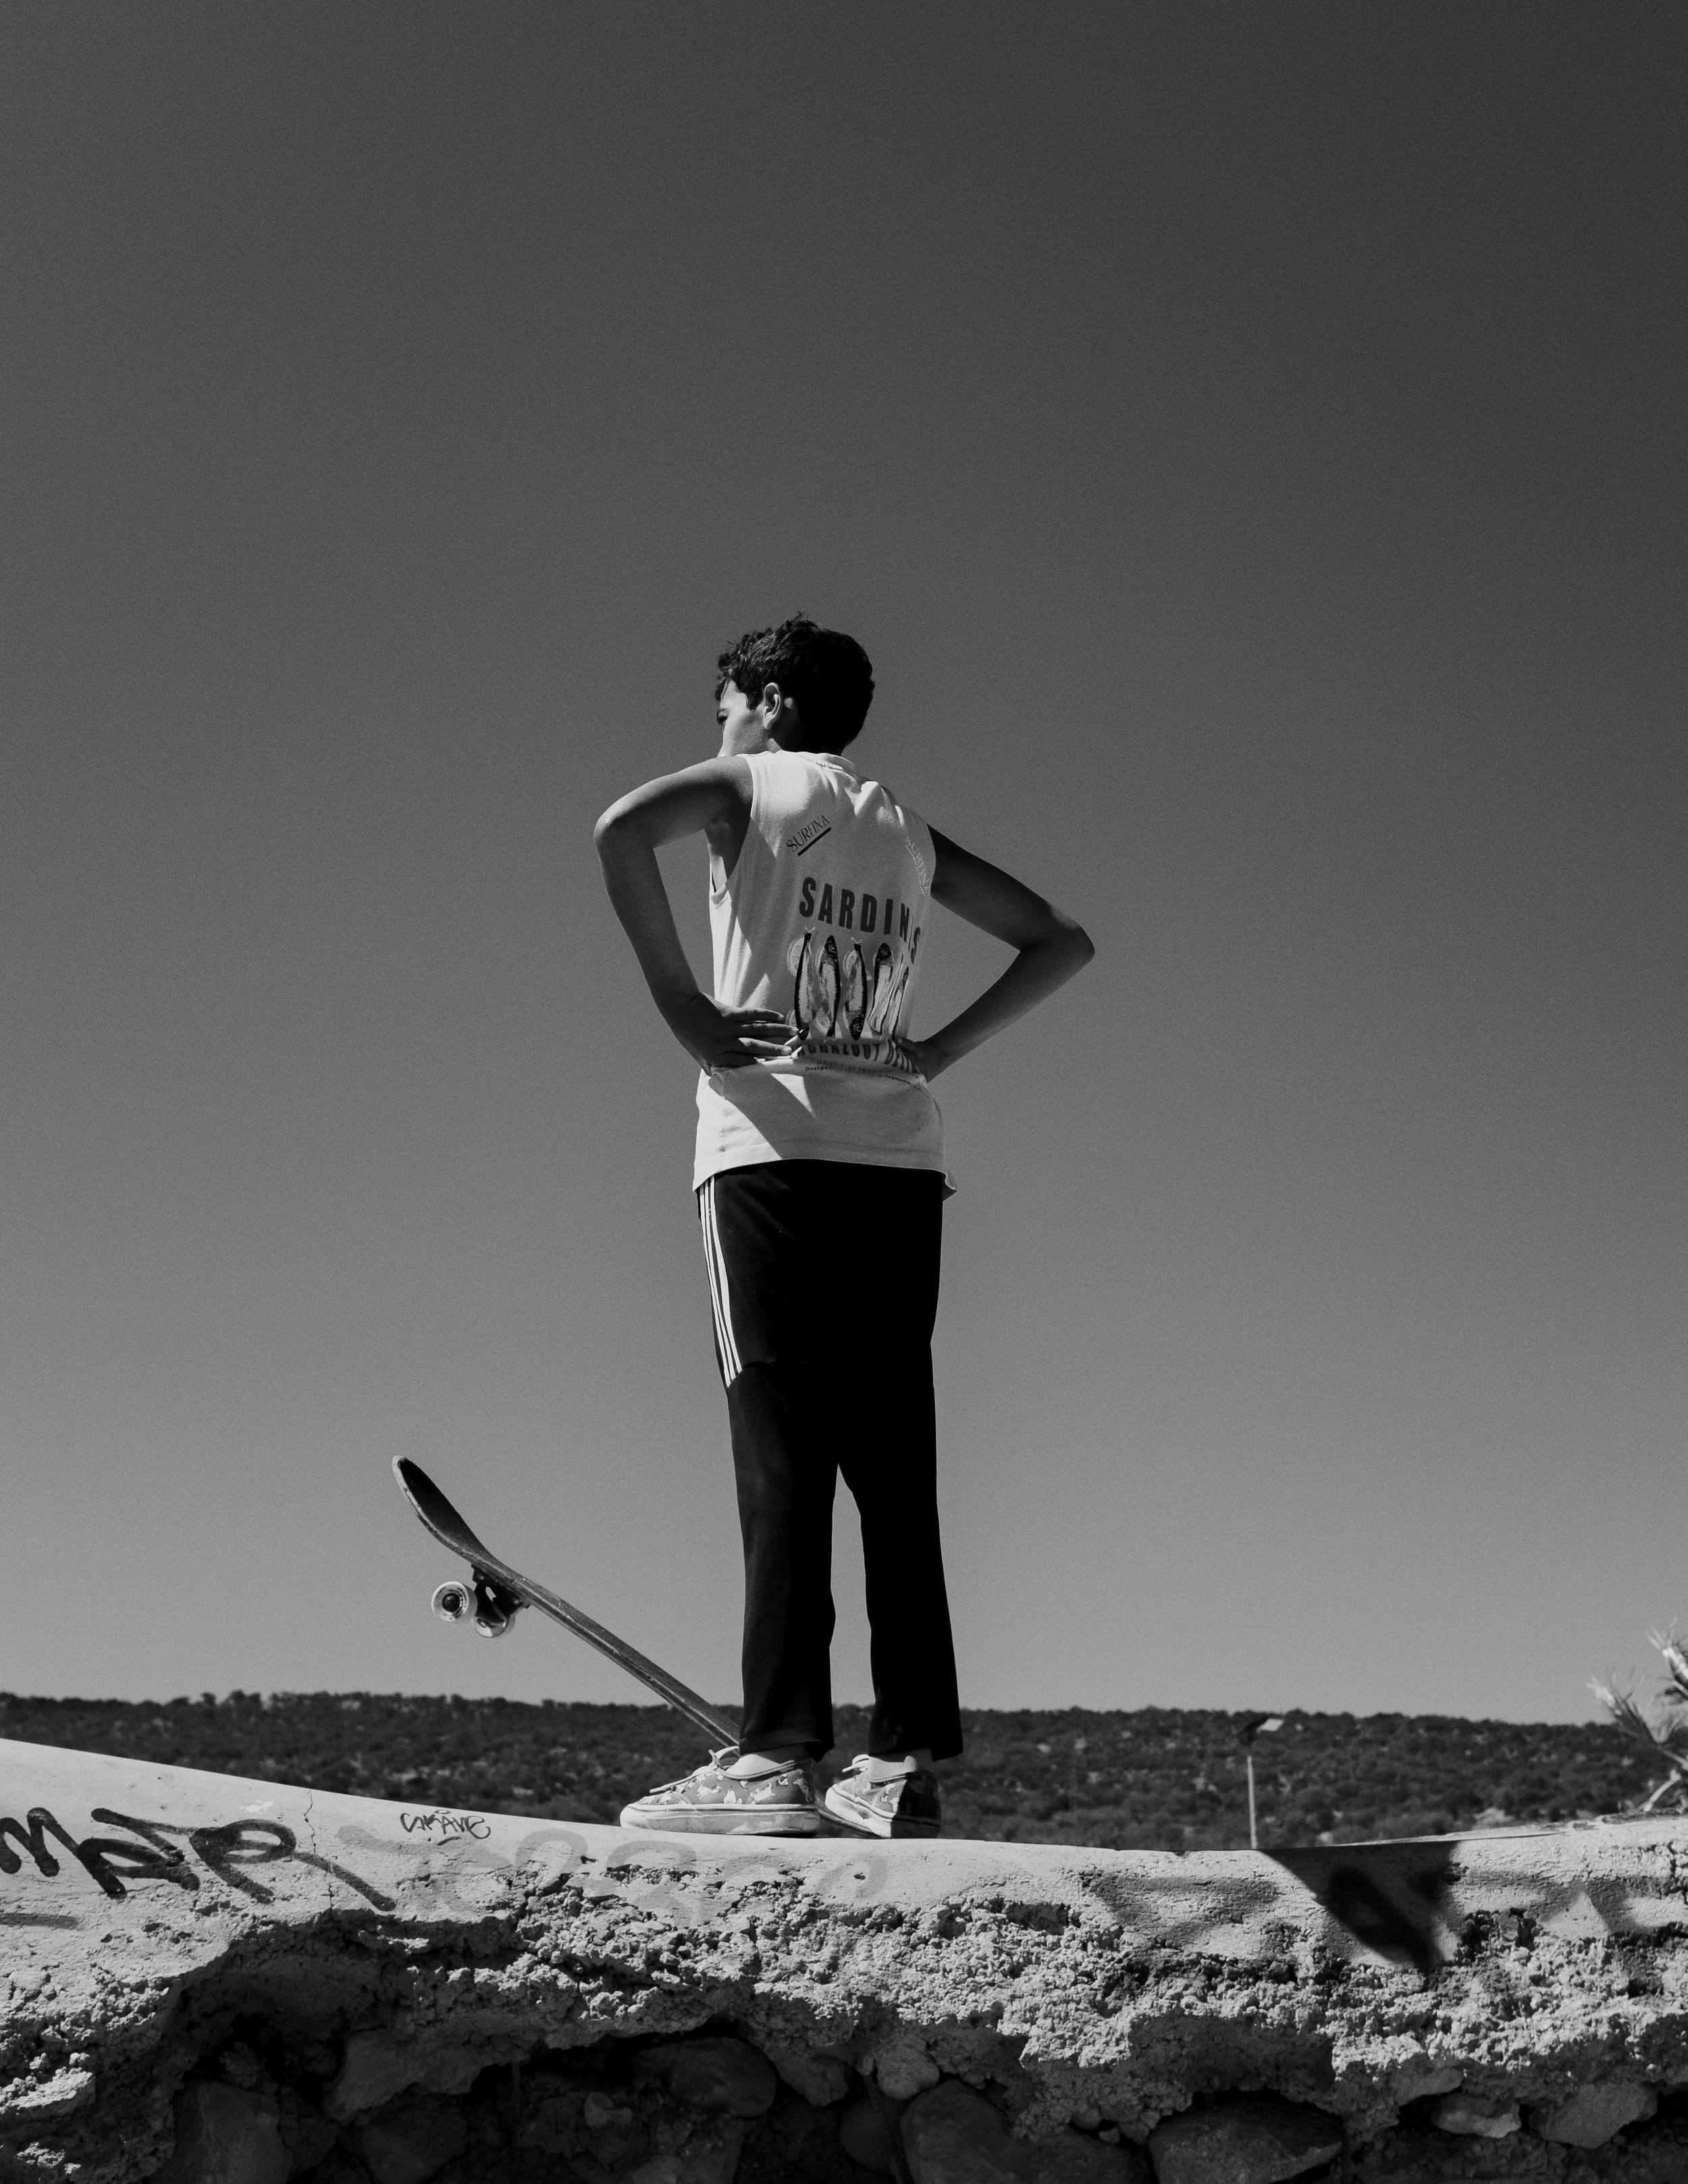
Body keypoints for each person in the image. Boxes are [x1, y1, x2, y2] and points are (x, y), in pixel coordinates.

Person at [594, 615, 1093, 1838]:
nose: (716, 724)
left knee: (781, 1453)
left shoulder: (748, 783)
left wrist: (686, 1010)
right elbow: (1060, 940)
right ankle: (906, 1760)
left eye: (721, 705)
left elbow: (617, 832)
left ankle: (772, 1758)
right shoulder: (905, 832)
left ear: (764, 698)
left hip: (769, 1148)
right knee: (892, 1462)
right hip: (897, 1160)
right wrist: (936, 1052)